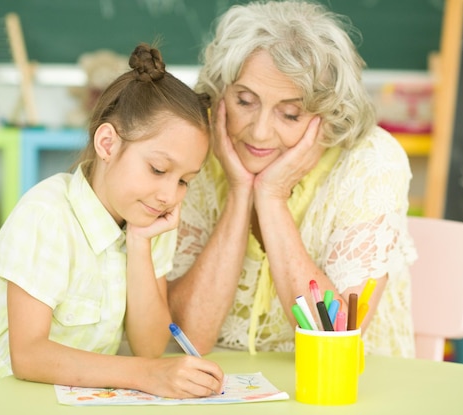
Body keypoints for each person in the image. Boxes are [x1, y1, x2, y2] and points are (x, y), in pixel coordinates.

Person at [0, 43, 223, 415]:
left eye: (185, 180)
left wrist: (138, 244)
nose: (170, 194)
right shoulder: (48, 215)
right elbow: (30, 355)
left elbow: (149, 347)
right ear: (107, 143)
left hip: (40, 406)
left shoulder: (149, 221)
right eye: (157, 169)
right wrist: (149, 375)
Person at [167, 0, 417, 357]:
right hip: (223, 384)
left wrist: (270, 197)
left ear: (327, 115)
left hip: (346, 388)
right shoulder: (198, 147)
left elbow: (334, 341)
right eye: (244, 101)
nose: (260, 132)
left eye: (289, 113)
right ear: (220, 93)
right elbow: (190, 336)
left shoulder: (371, 160)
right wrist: (240, 193)